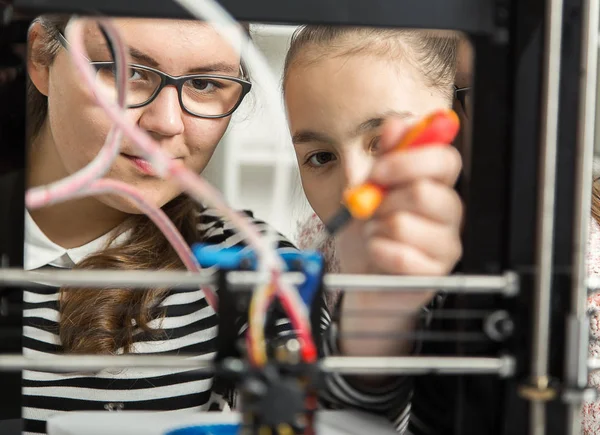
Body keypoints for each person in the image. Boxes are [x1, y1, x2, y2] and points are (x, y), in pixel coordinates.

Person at [0, 16, 463, 435]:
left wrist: (375, 320)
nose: (164, 123)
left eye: (204, 83)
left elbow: (328, 414)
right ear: (42, 57)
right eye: (128, 73)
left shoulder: (256, 266)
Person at [283, 26, 464, 432]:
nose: (353, 186)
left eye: (381, 143)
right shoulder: (319, 252)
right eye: (321, 156)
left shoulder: (570, 265)